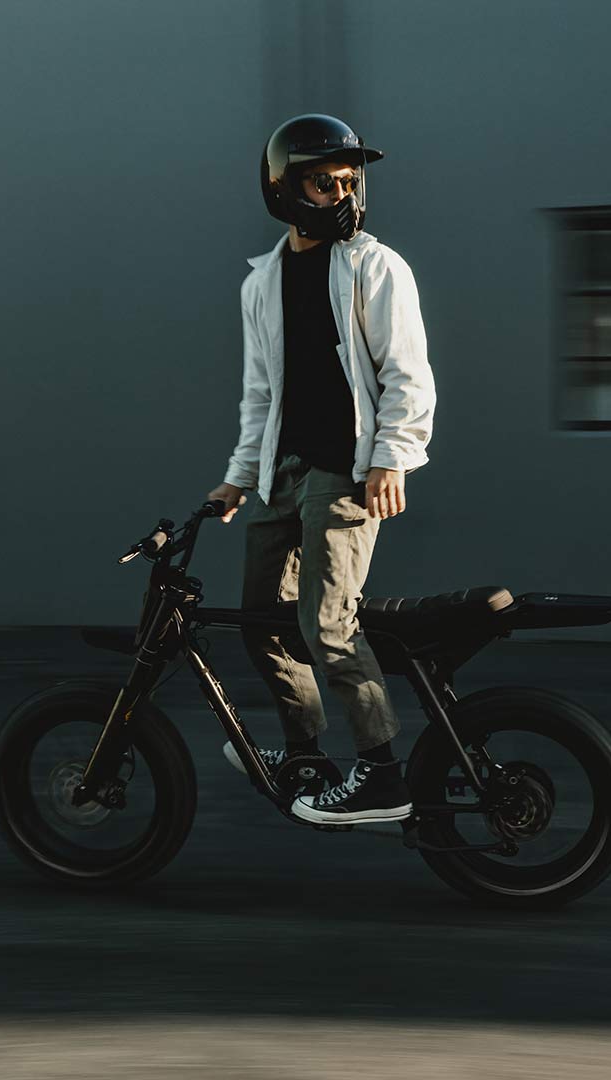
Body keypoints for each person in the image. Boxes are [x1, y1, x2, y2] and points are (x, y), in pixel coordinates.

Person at [206, 113, 435, 825]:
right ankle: (305, 753)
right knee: (261, 622)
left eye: (347, 181)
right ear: (283, 186)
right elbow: (260, 392)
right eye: (322, 180)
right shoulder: (262, 282)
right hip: (285, 472)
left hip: (348, 468)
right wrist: (242, 476)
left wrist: (393, 456)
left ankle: (383, 773)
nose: (340, 194)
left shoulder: (375, 265)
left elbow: (407, 374)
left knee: (328, 623)